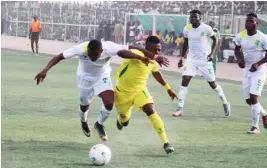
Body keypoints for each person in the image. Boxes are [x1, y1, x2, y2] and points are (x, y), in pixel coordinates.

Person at [34, 39, 169, 141]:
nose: (92, 58)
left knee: (109, 103)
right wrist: (45, 70)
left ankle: (99, 124)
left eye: (96, 55)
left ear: (101, 51)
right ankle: (84, 122)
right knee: (84, 106)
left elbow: (130, 48)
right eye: (90, 55)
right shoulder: (81, 49)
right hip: (85, 79)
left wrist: (152, 56)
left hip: (102, 77)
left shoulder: (108, 47)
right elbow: (60, 56)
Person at [114, 36, 177, 154]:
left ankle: (166, 143)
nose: (158, 52)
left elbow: (156, 73)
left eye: (160, 49)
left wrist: (168, 88)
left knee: (150, 109)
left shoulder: (154, 60)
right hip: (122, 93)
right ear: (148, 47)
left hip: (140, 90)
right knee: (125, 121)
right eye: (157, 49)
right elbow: (120, 52)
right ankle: (122, 120)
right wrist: (141, 57)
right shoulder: (136, 52)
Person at [172, 10, 231, 117]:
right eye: (191, 17)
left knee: (212, 83)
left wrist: (212, 54)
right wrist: (182, 57)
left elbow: (216, 40)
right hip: (192, 59)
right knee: (185, 79)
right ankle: (180, 108)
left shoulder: (206, 28)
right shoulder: (187, 28)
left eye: (195, 17)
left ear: (200, 17)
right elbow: (186, 43)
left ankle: (225, 103)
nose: (193, 18)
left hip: (205, 60)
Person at [234, 13, 267, 134]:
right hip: (247, 70)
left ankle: (255, 127)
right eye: (247, 21)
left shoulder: (263, 37)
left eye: (251, 21)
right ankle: (264, 113)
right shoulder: (241, 35)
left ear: (257, 23)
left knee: (253, 97)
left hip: (259, 70)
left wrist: (258, 63)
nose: (248, 23)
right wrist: (239, 59)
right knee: (248, 101)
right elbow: (236, 49)